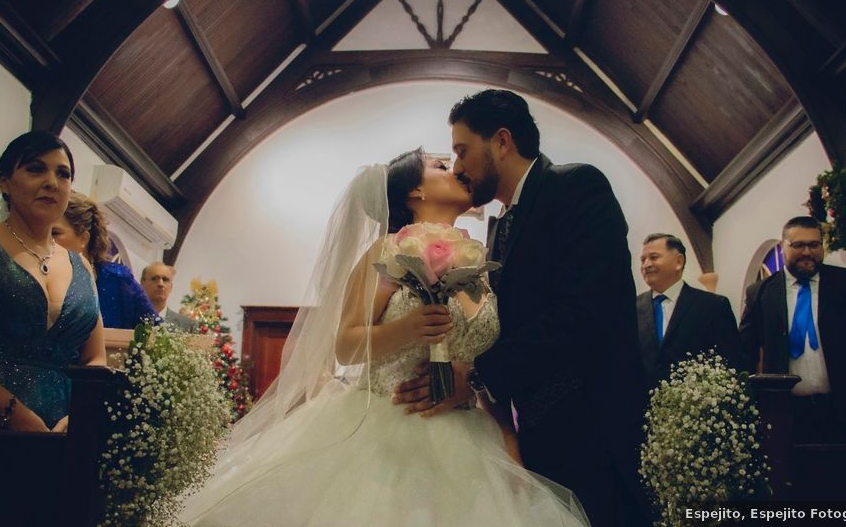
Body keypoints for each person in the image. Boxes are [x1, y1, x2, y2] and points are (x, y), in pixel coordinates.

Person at [179, 150, 589, 526]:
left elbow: (485, 363)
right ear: (415, 190)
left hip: (470, 433)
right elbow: (345, 343)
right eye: (442, 167)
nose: (458, 169)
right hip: (385, 428)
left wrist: (509, 446)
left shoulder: (481, 261)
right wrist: (404, 329)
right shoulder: (388, 249)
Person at [395, 89, 650, 527]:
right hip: (539, 437)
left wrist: (474, 376)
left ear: (501, 141)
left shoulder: (575, 187)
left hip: (594, 429)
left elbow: (585, 312)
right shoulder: (498, 230)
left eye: (462, 150)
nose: (457, 167)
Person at [0, 131, 105, 432]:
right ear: (5, 181)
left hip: (66, 437)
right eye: (35, 169)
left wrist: (78, 414)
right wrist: (13, 411)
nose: (52, 182)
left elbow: (95, 357)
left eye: (63, 174)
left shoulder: (80, 264)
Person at [740, 216, 846, 444]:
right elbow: (745, 351)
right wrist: (748, 401)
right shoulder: (761, 293)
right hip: (789, 418)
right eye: (798, 245)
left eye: (814, 245)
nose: (807, 252)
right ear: (783, 247)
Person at [636, 233, 743, 387]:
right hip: (640, 405)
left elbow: (732, 362)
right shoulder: (632, 309)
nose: (646, 264)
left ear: (678, 261)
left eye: (653, 257)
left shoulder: (712, 306)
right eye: (642, 260)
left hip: (695, 404)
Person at [52, 191, 159, 329]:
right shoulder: (39, 274)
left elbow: (159, 333)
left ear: (83, 238)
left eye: (55, 233)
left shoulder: (117, 279)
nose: (46, 240)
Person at [141, 262, 198, 331]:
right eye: (154, 279)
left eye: (165, 279)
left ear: (171, 287)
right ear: (142, 284)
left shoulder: (188, 325)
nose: (160, 284)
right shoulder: (129, 320)